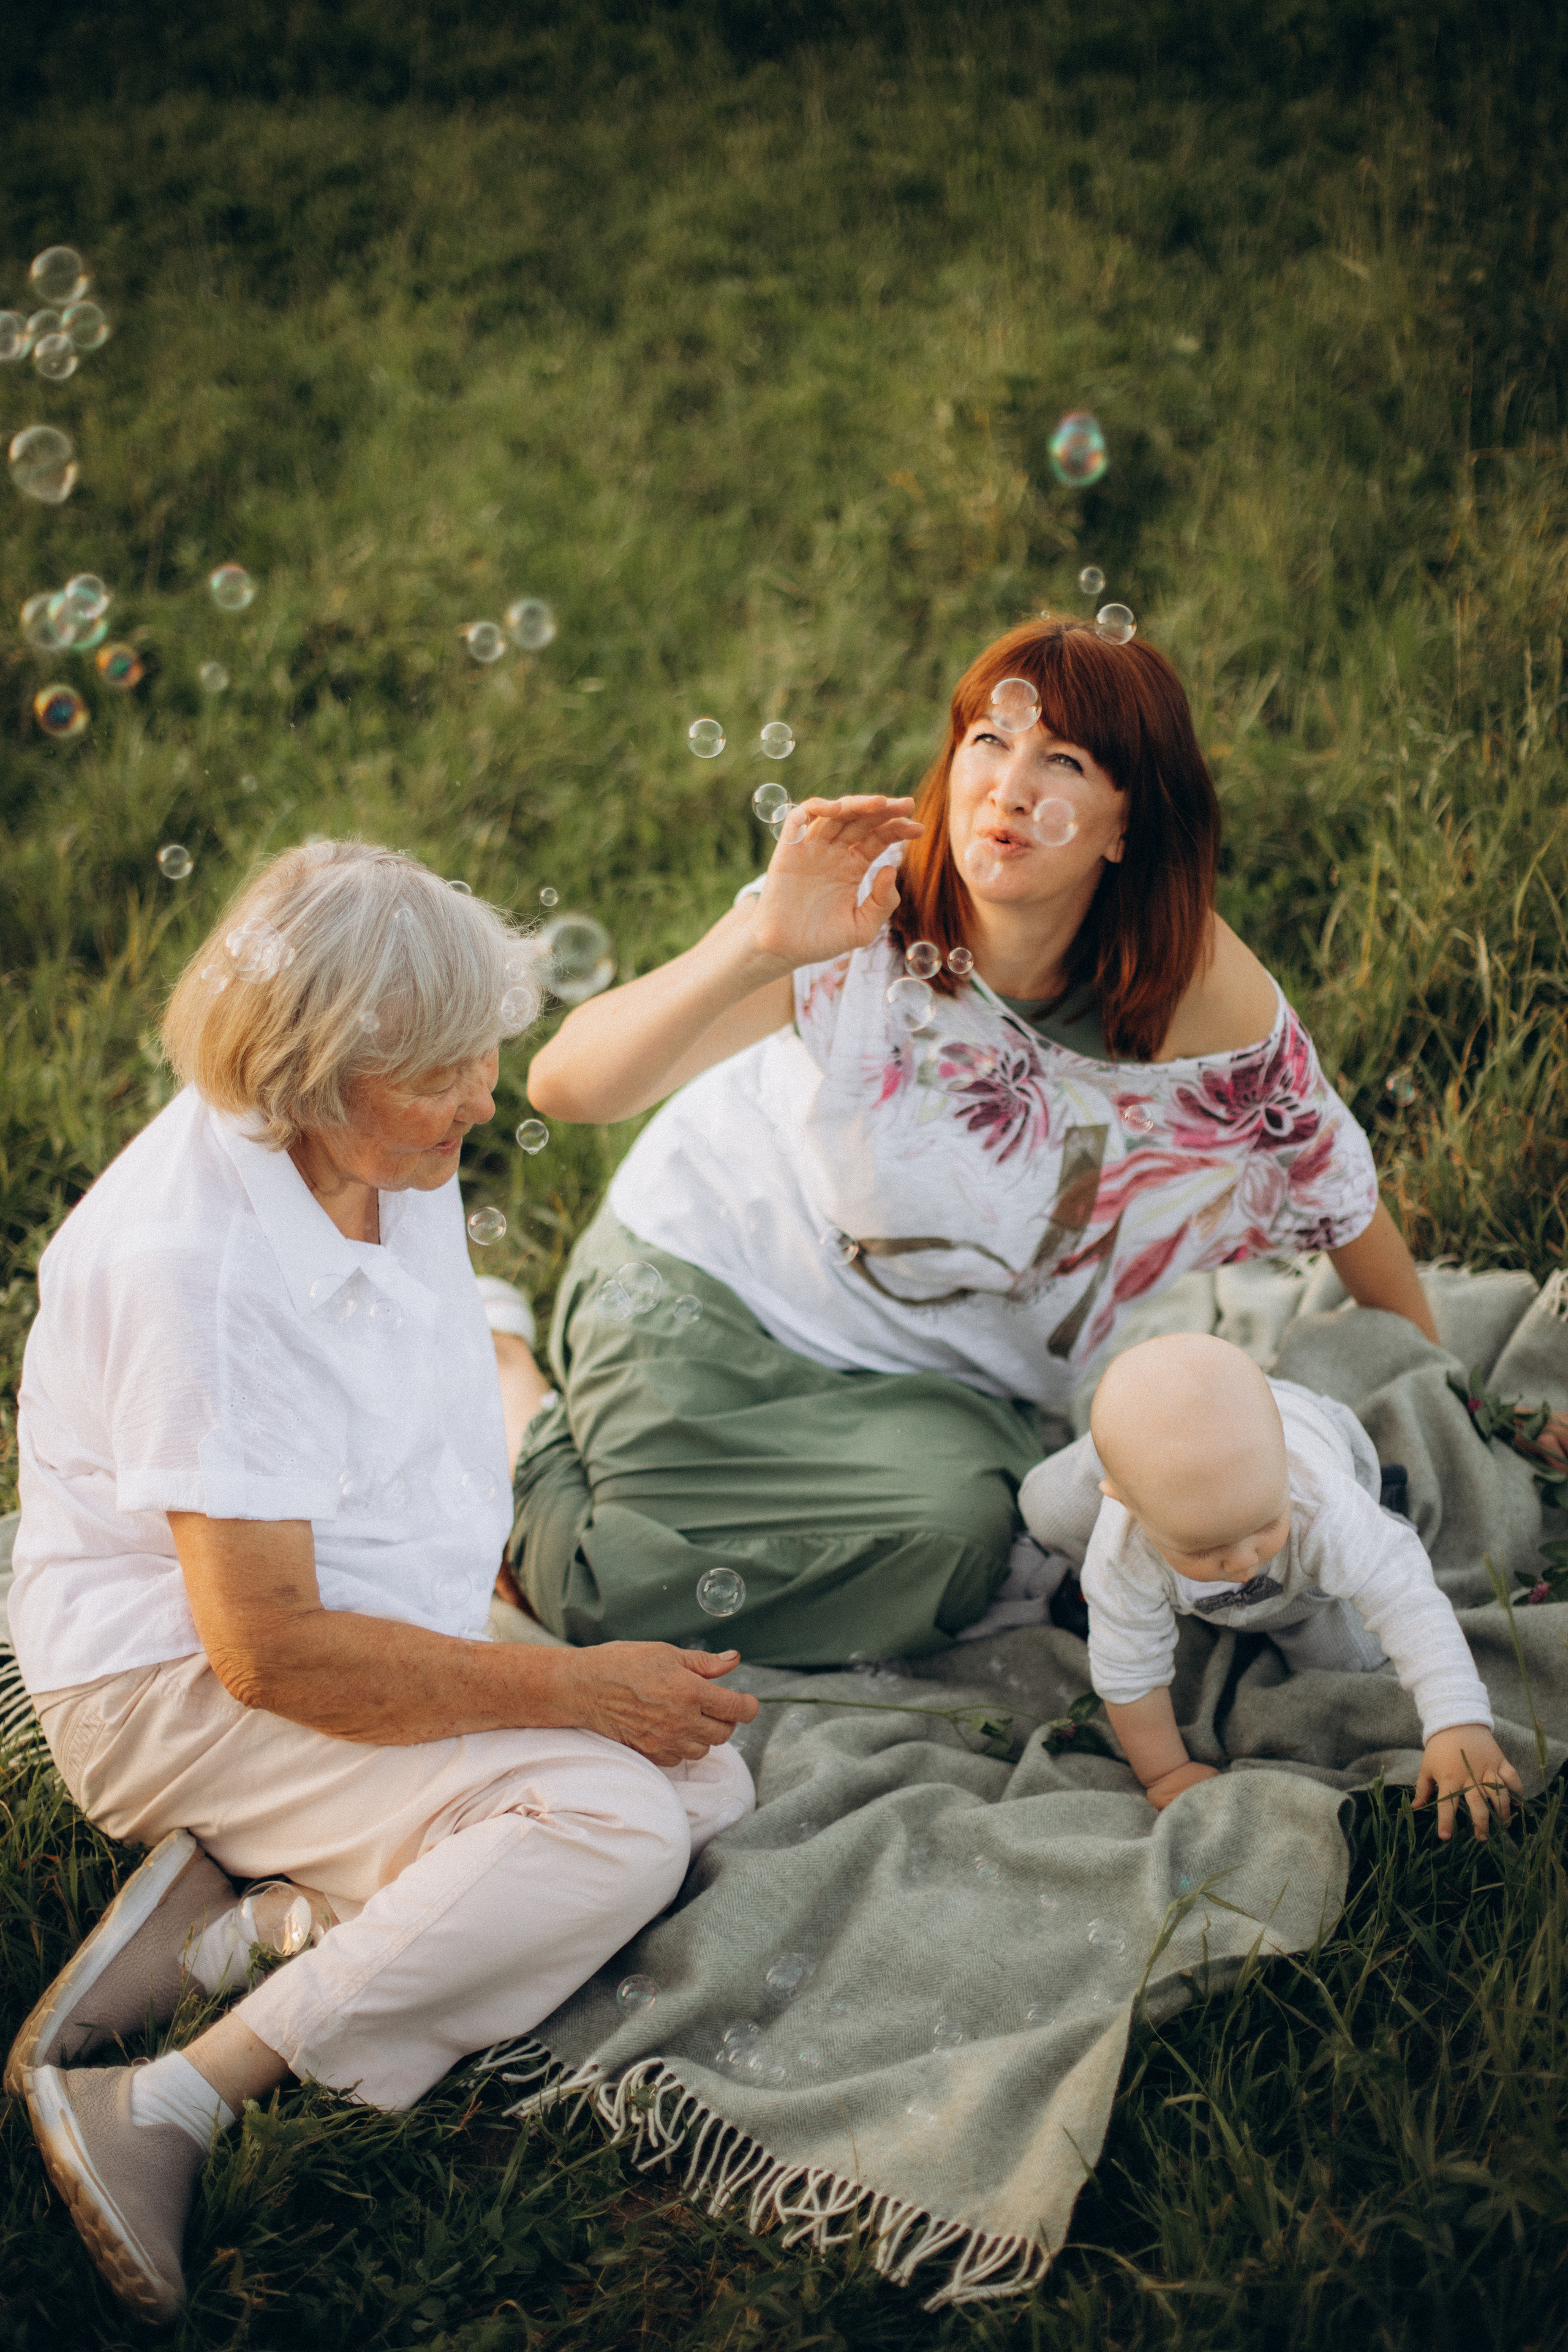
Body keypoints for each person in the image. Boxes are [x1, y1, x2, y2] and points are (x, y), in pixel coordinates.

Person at [6, 842, 756, 2323]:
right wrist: (560, 1682)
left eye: (485, 1047)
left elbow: (395, 1363)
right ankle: (169, 2098)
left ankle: (250, 1926)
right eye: (440, 1070)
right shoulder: (196, 1273)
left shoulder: (378, 1145)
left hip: (350, 1607)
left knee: (700, 1781)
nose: (485, 1095)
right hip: (178, 1684)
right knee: (611, 1825)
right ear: (309, 1073)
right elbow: (268, 1652)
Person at [507, 616, 1441, 1665]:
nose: (1008, 785)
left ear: (1124, 825)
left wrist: (1445, 1397)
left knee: (957, 1544)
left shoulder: (1200, 1002)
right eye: (988, 744)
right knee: (613, 1588)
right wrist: (758, 941)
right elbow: (565, 1083)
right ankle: (508, 1383)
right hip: (710, 1287)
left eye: (1063, 761)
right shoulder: (861, 915)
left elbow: (1331, 1180)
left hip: (931, 1383)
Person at [1018, 1332, 1521, 1838]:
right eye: (1202, 1549)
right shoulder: (1121, 1549)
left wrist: (1457, 1722)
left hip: (1302, 1484)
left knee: (1353, 1661)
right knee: (1045, 1505)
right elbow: (1129, 1676)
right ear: (1124, 1502)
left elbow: (1409, 1604)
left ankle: (1373, 1515)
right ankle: (1121, 1443)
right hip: (1154, 1469)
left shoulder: (1321, 1507)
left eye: (1262, 1525)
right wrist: (1165, 1771)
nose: (1242, 1564)